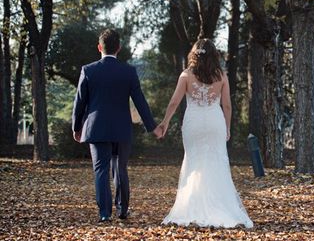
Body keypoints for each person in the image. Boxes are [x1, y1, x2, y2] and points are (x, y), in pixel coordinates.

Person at [72, 29, 164, 222]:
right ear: (119, 48)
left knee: (101, 170)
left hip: (96, 129)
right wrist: (152, 126)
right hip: (122, 128)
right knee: (120, 168)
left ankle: (105, 213)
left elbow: (79, 102)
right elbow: (140, 101)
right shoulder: (128, 72)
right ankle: (122, 210)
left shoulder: (88, 70)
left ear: (99, 47)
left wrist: (76, 127)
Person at [159, 38, 253, 228]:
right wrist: (227, 127)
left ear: (194, 55)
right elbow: (226, 105)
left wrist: (165, 122)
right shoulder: (222, 76)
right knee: (216, 163)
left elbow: (174, 102)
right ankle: (221, 208)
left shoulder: (185, 75)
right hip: (214, 122)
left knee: (193, 162)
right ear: (214, 56)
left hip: (193, 123)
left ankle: (190, 207)